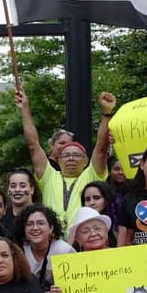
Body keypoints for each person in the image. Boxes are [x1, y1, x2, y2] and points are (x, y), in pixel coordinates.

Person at [15, 88, 114, 231]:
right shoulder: (48, 176)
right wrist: (24, 109)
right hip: (51, 241)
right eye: (66, 155)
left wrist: (107, 113)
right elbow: (33, 146)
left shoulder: (91, 176)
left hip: (84, 240)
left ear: (86, 161)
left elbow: (101, 148)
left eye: (77, 155)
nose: (71, 158)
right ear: (58, 160)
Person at [0, 168, 39, 238]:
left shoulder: (43, 215)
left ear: (32, 189)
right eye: (13, 186)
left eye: (22, 186)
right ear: (8, 190)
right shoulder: (1, 218)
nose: (17, 190)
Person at [80, 181, 119, 246]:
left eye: (96, 198)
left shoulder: (118, 222)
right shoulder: (79, 225)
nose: (91, 203)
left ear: (107, 199)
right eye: (87, 199)